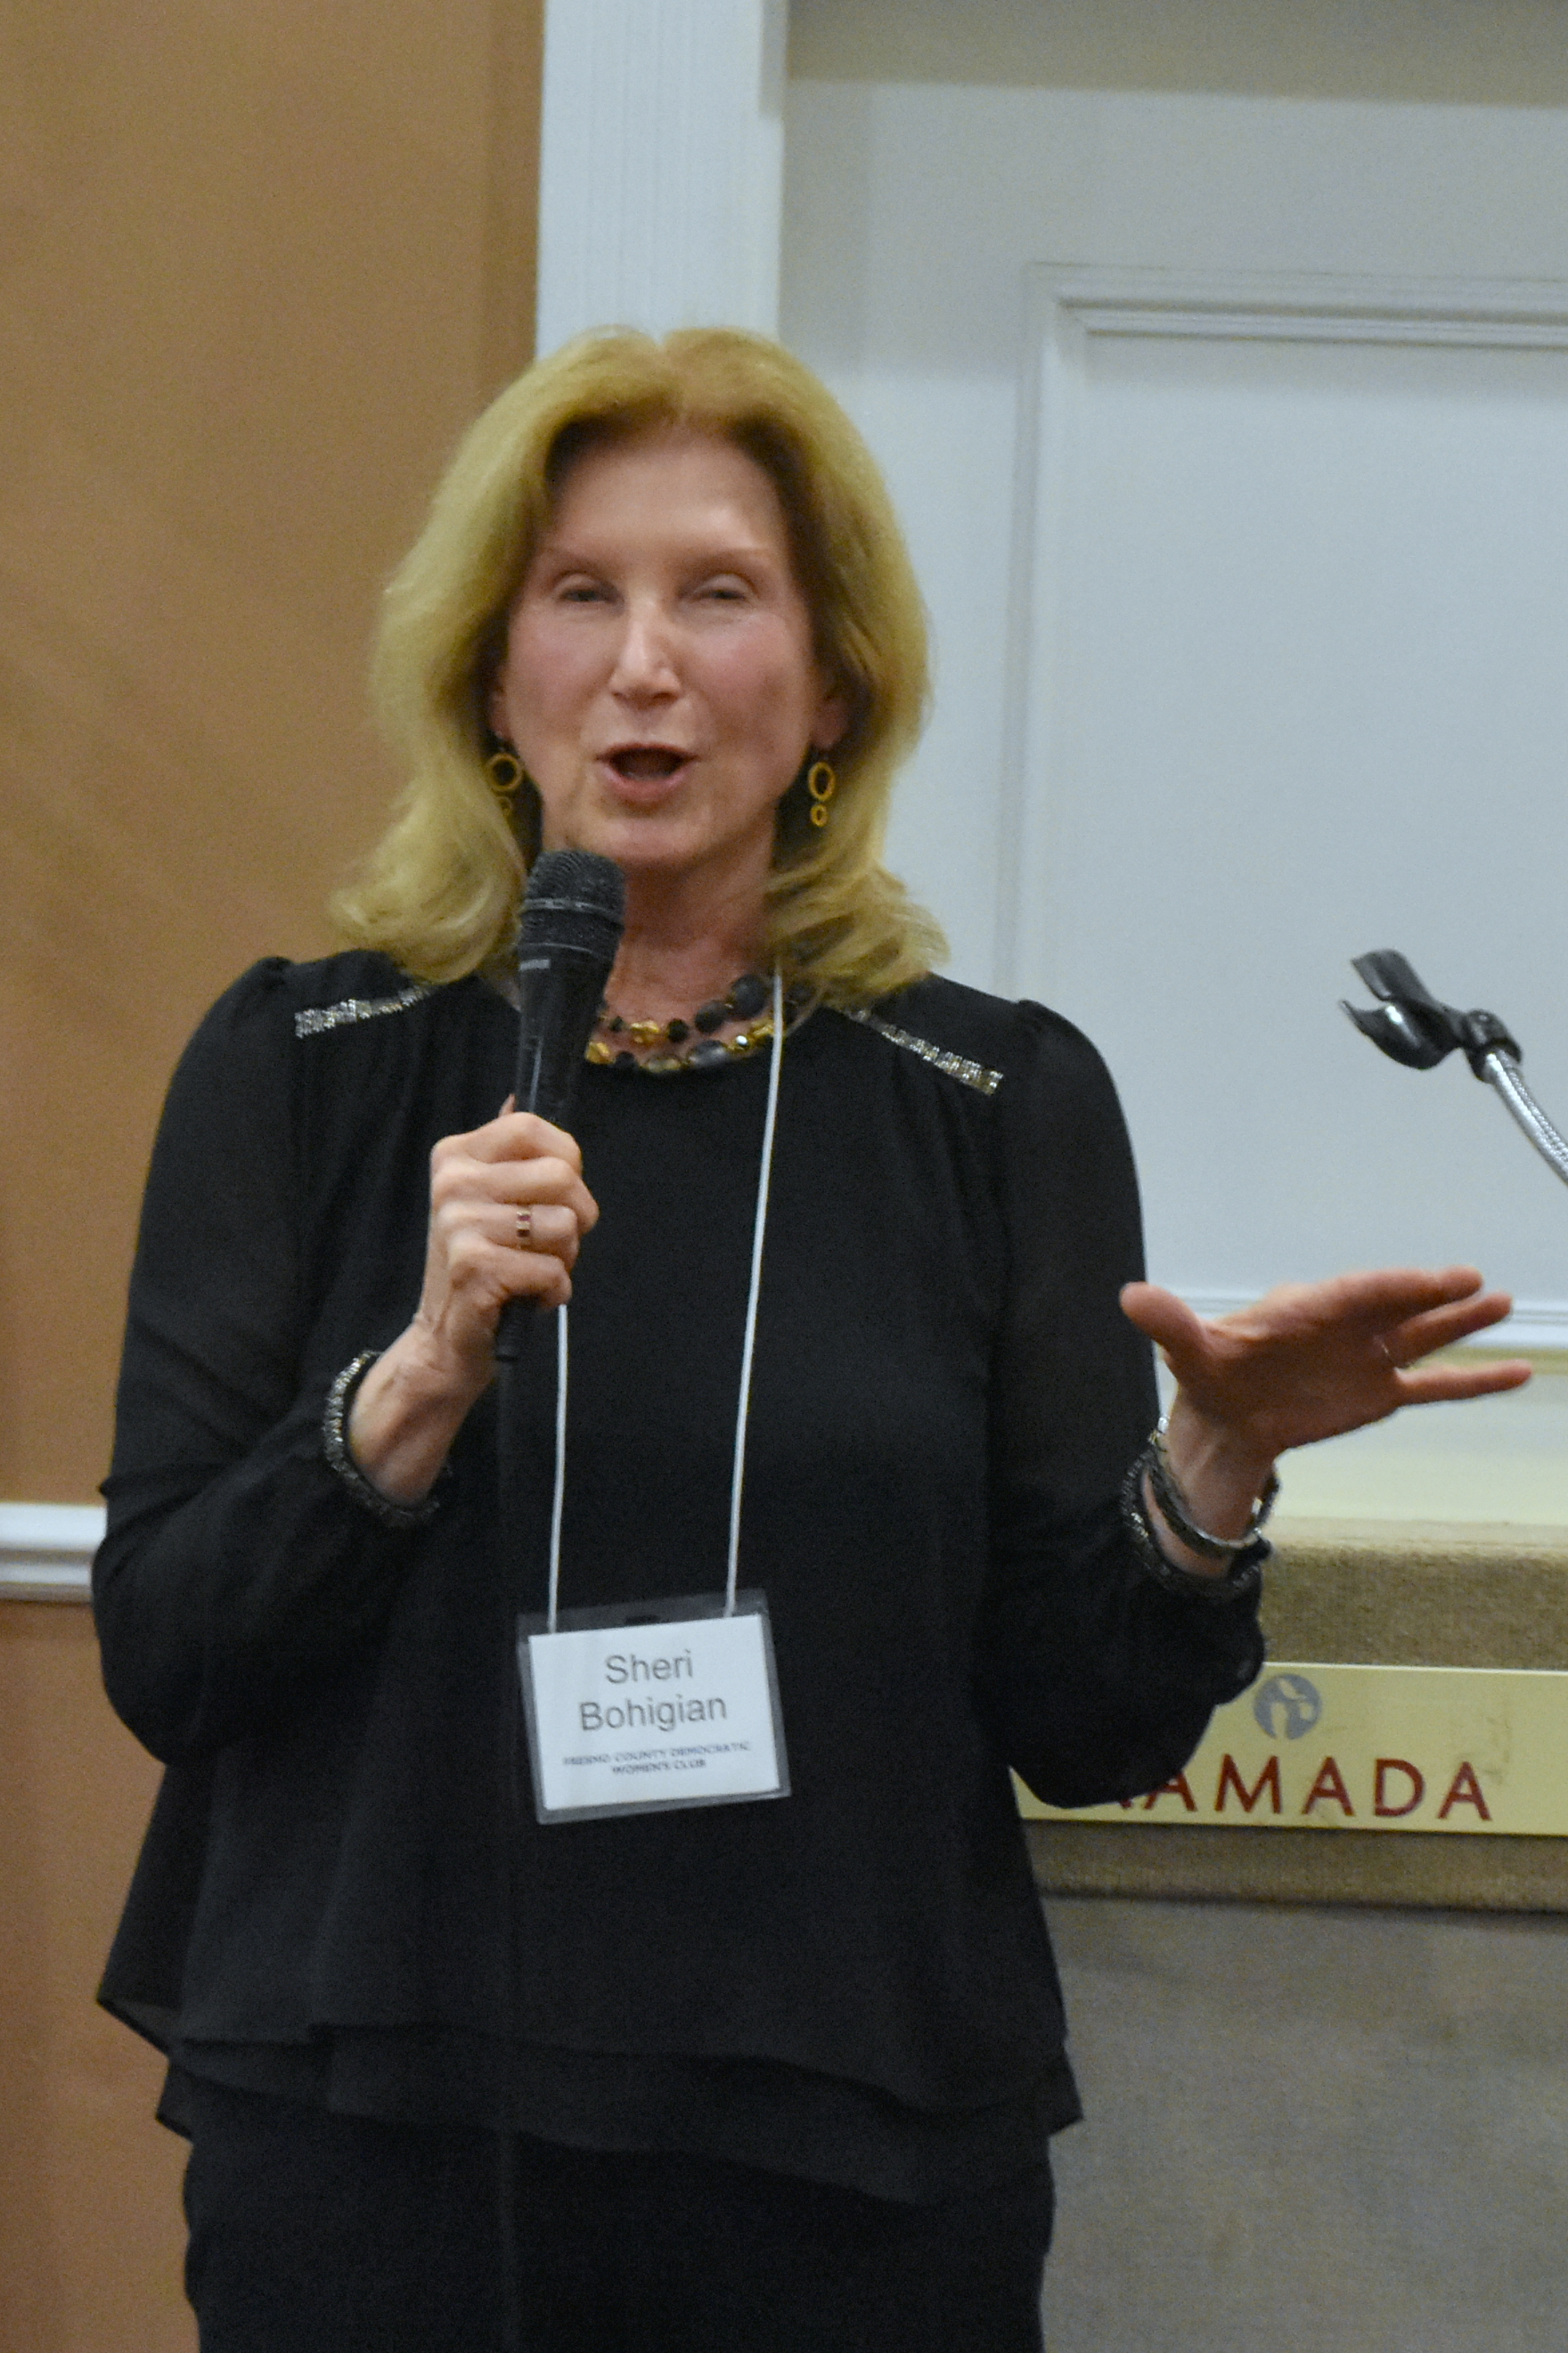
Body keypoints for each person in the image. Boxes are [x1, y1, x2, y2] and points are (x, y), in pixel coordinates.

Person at [94, 328, 1527, 2353]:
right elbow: (169, 1647)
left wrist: (1212, 1468)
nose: (642, 664)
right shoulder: (304, 1065)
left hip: (843, 2153)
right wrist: (412, 1380)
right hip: (382, 2124)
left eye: (717, 593)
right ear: (491, 675)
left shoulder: (996, 1106)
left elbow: (1083, 1720)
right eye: (578, 594)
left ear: (833, 682)